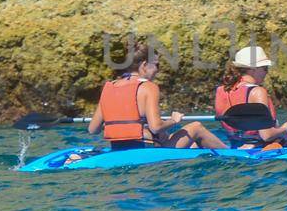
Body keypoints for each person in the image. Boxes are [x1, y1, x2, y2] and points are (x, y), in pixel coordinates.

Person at [88, 43, 224, 150]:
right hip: (146, 148)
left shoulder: (110, 87)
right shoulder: (148, 87)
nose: (158, 70)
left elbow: (93, 129)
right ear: (144, 65)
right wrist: (173, 120)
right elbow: (156, 127)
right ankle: (234, 153)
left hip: (118, 147)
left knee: (179, 140)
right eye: (157, 65)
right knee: (196, 126)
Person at [213, 47, 287, 148]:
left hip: (235, 146)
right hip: (261, 148)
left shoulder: (221, 90)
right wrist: (285, 127)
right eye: (265, 68)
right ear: (253, 69)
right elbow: (267, 135)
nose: (266, 72)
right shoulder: (257, 92)